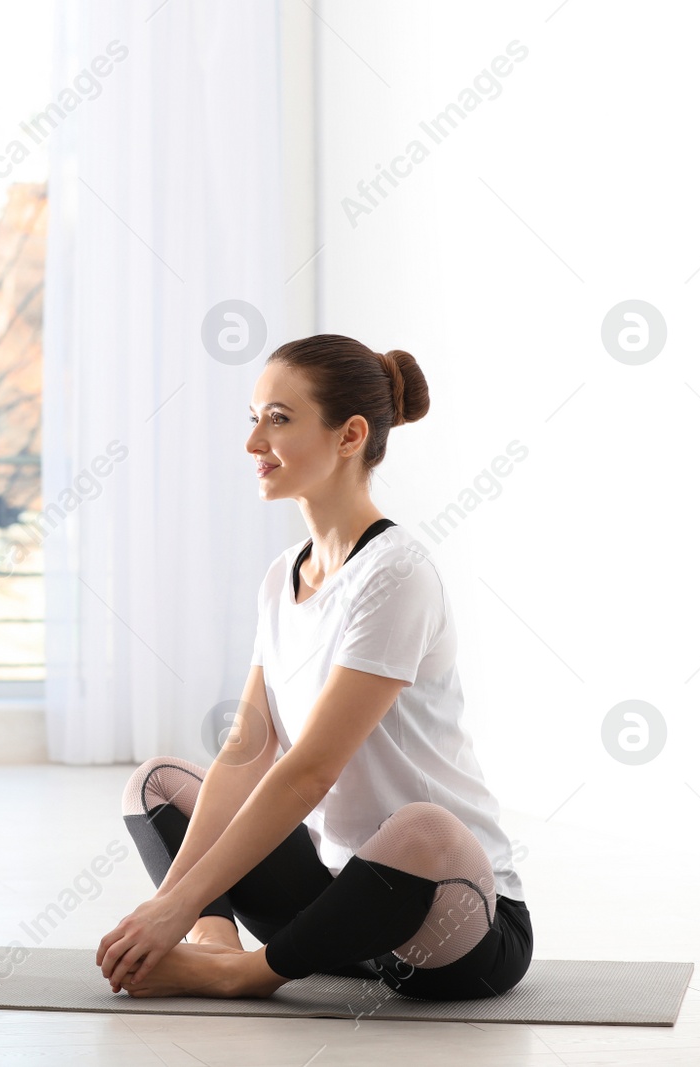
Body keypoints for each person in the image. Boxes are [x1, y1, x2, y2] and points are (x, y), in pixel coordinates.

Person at [97, 334, 532, 1001]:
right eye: (254, 417)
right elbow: (246, 751)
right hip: (331, 905)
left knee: (422, 827)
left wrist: (174, 904)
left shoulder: (397, 574)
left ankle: (243, 974)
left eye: (278, 418)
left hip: (445, 918)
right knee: (154, 785)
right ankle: (216, 948)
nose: (253, 443)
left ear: (349, 435)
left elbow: (309, 771)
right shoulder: (281, 578)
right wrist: (182, 906)